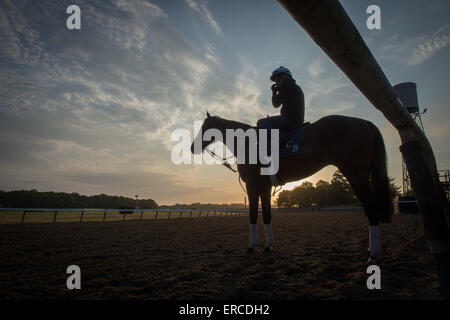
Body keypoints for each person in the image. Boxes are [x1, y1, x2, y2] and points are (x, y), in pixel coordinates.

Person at [257, 66, 305, 135]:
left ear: (286, 77)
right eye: (275, 81)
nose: (276, 83)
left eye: (278, 80)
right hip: (295, 120)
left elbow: (276, 105)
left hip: (290, 120)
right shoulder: (293, 86)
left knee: (261, 122)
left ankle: (281, 137)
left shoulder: (287, 87)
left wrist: (274, 92)